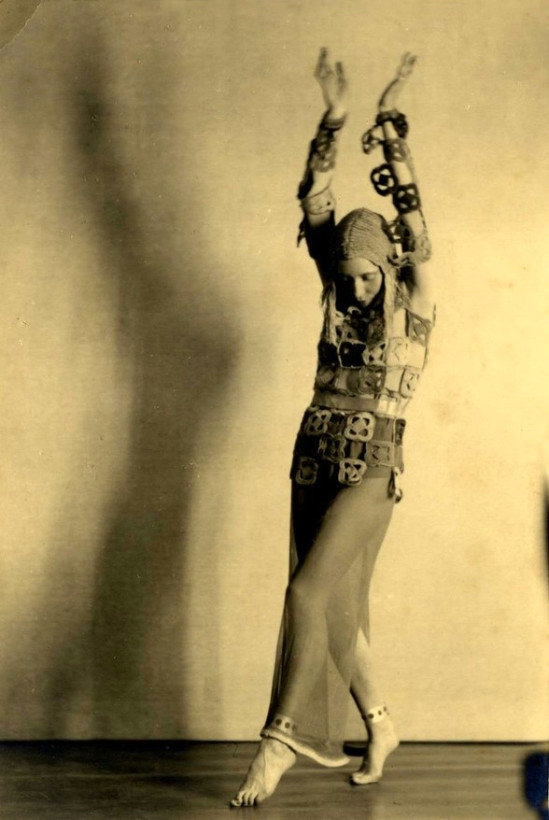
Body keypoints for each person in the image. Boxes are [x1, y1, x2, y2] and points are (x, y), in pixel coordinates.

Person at [230, 49, 435, 808]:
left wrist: (389, 126)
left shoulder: (415, 299)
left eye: (367, 274)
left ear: (389, 267)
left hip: (374, 466)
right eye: (346, 276)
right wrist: (334, 118)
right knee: (338, 608)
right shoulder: (338, 290)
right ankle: (380, 725)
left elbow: (413, 220)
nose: (355, 287)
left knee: (307, 591)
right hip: (313, 454)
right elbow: (314, 202)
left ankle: (280, 739)